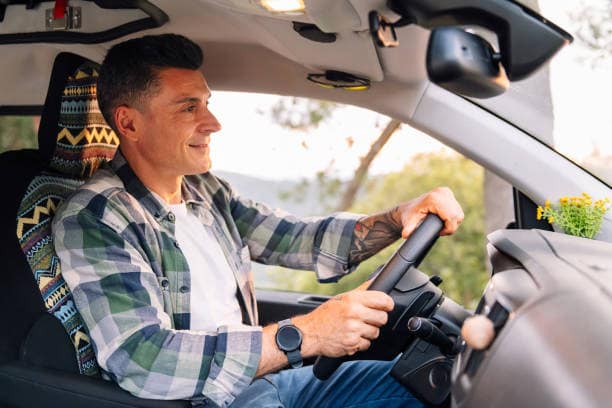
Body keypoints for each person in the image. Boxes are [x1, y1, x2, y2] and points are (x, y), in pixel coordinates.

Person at [52, 34, 464, 408]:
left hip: (264, 382)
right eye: (189, 107)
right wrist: (308, 334)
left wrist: (397, 218)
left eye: (207, 103)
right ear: (129, 123)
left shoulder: (205, 191)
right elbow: (145, 358)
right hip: (208, 401)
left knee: (434, 386)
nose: (212, 123)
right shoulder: (96, 217)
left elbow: (297, 238)